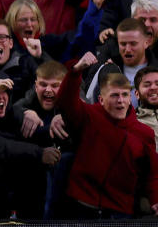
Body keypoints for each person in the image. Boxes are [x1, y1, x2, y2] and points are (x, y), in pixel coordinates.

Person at [58, 52, 158, 218]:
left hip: (120, 214)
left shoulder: (144, 133)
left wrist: (155, 199)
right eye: (114, 95)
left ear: (130, 98)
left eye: (125, 95)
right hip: (82, 209)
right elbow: (65, 102)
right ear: (101, 99)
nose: (120, 100)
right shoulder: (89, 117)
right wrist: (76, 71)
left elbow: (152, 173)